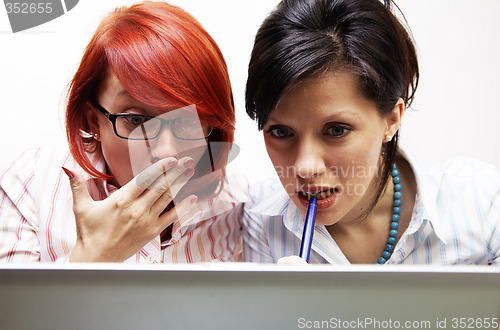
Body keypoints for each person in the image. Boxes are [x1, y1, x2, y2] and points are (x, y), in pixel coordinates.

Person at [243, 0, 500, 264]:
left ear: (391, 119)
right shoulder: (260, 220)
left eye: (336, 130)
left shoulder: (484, 205)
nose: (306, 168)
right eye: (281, 132)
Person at [0, 1, 248, 263]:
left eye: (187, 122)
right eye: (136, 119)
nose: (166, 151)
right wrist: (93, 258)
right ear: (92, 121)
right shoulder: (34, 183)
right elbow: (13, 305)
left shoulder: (234, 201)